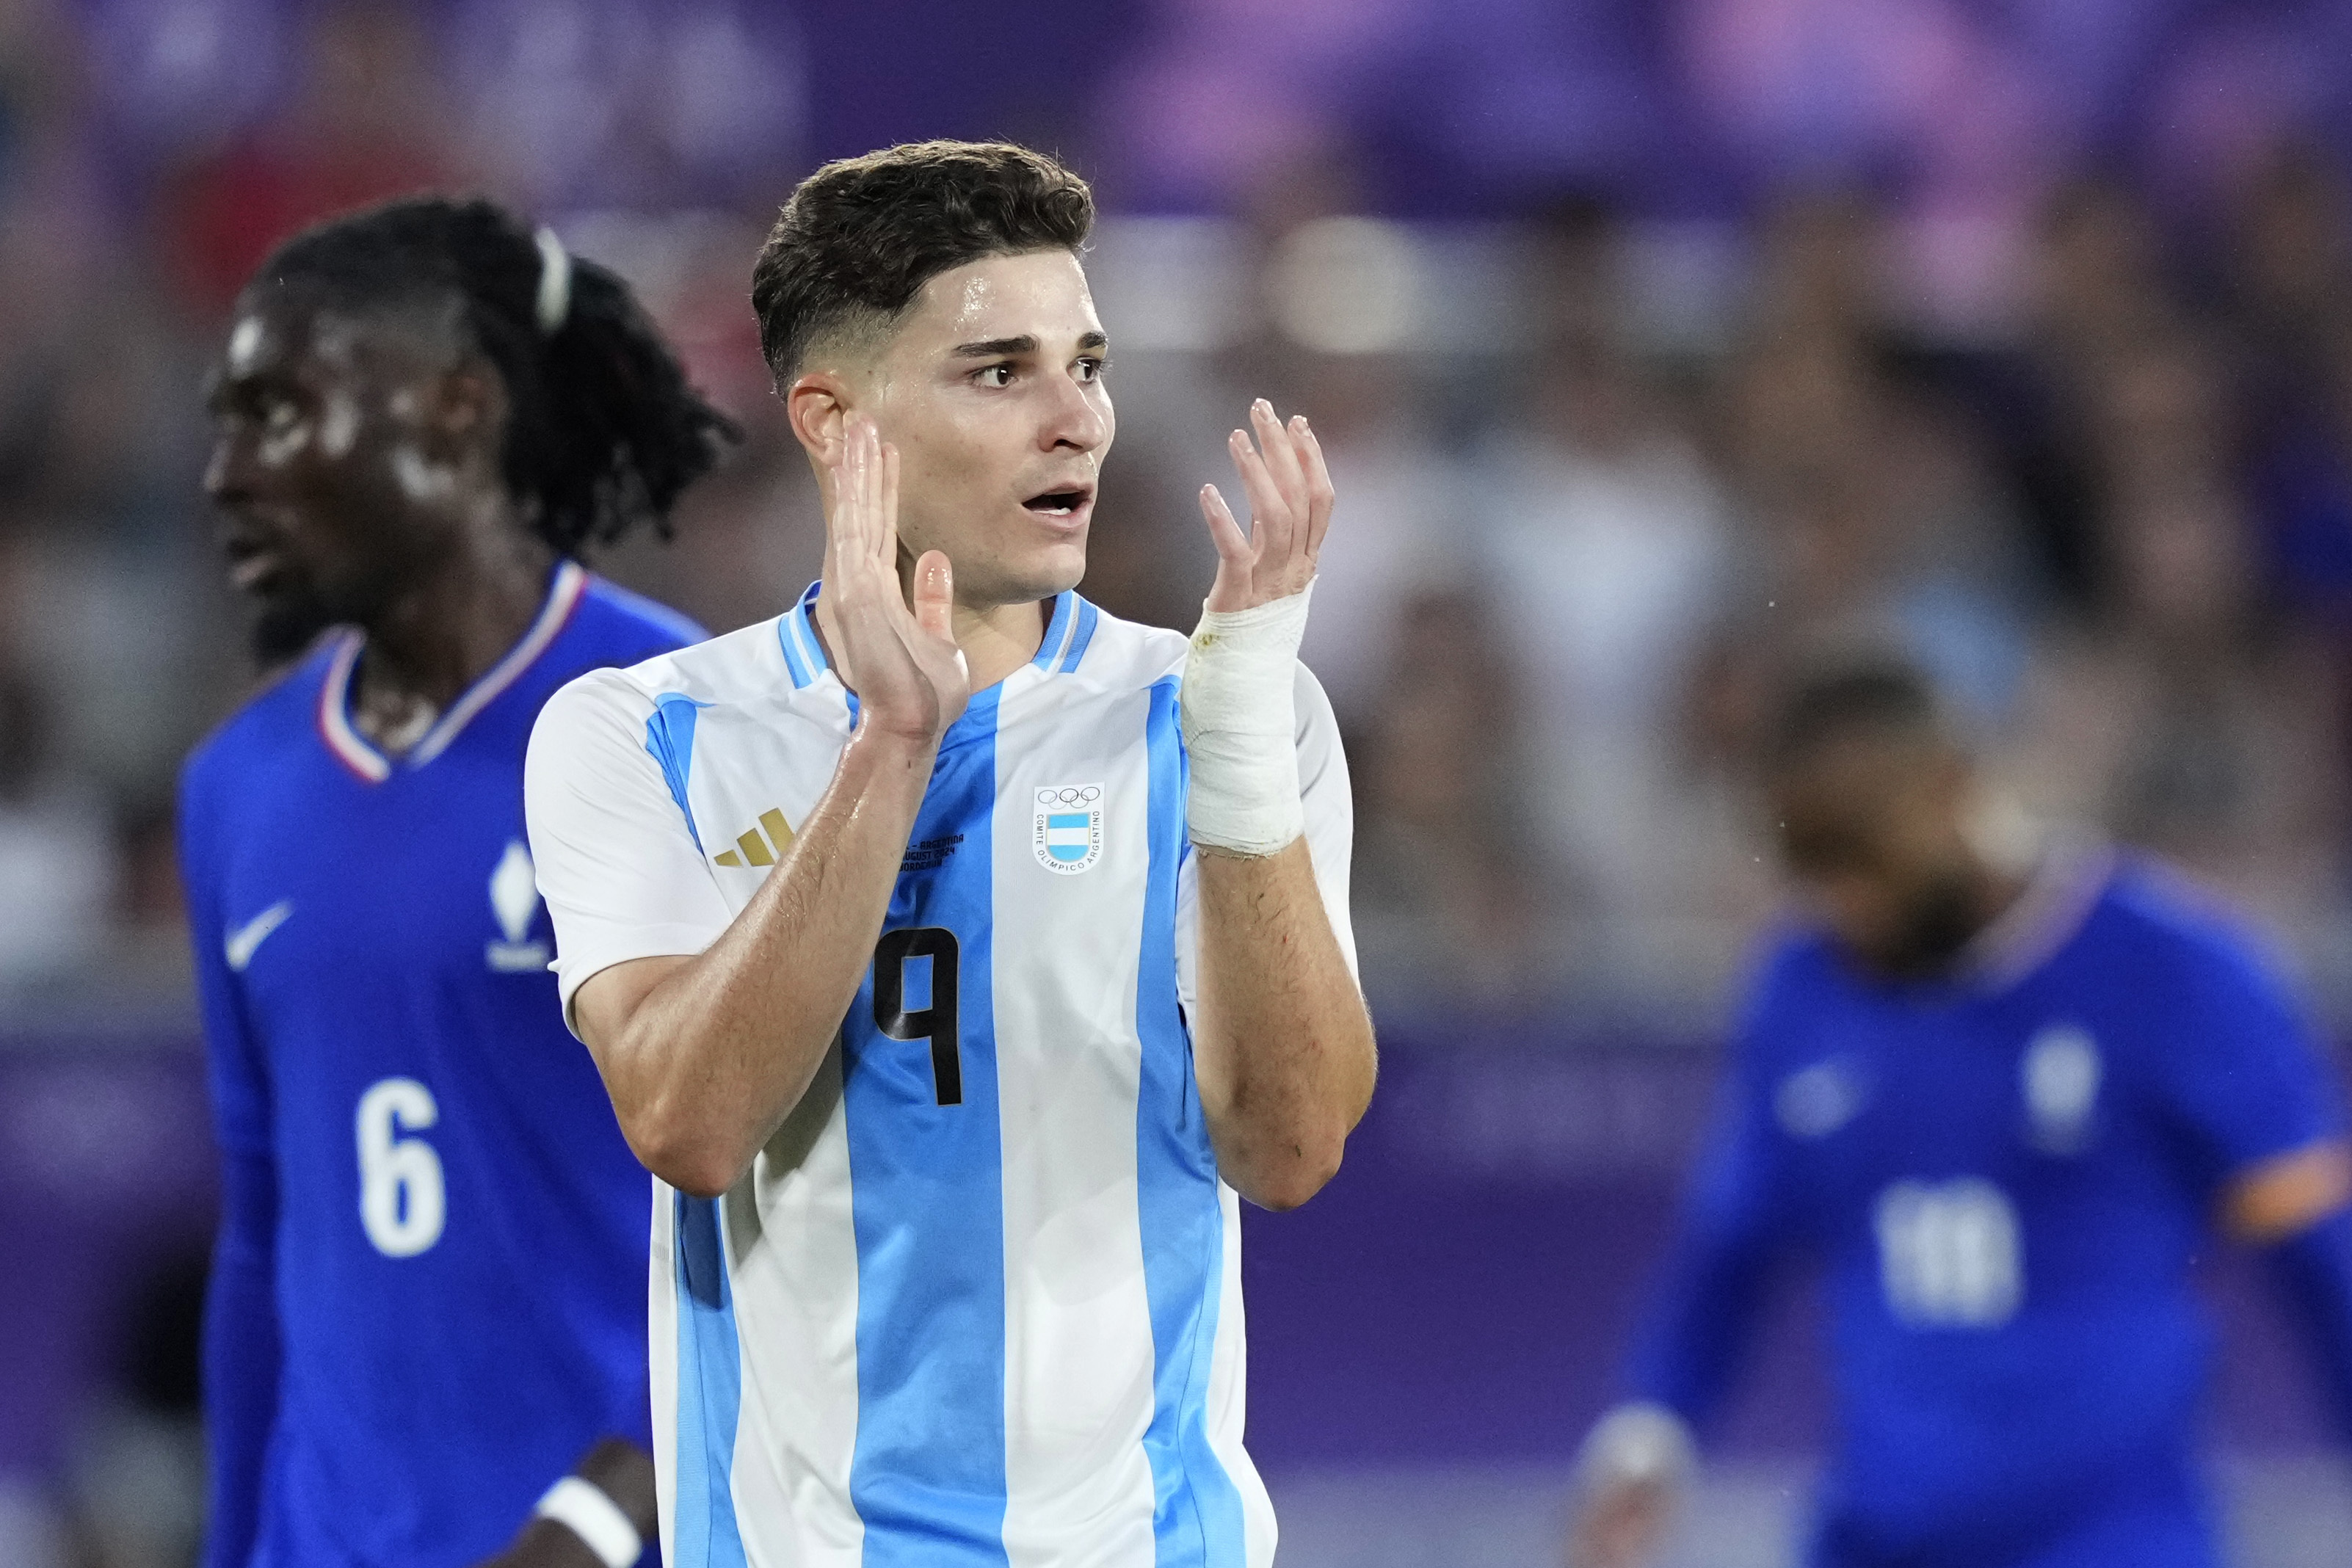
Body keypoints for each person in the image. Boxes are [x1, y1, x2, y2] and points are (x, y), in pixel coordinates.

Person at [523, 139, 1378, 1566]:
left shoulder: (1222, 712)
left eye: (1089, 365)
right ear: (832, 420)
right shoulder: (646, 733)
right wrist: (888, 753)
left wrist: (1231, 756)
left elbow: (1288, 1151)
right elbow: (689, 1122)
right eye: (1003, 373)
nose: (1080, 423)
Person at [181, 195, 739, 1568]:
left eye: (277, 413)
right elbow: (264, 1237)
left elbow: (807, 1204)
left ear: (454, 411)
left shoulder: (679, 719)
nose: (226, 472)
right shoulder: (234, 786)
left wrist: (601, 1516)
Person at [1568, 656, 2352, 1568]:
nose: (1846, 901)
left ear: (1953, 787)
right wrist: (1650, 1431)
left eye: (1863, 856)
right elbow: (1731, 1250)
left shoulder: (2173, 972)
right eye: (1812, 868)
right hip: (1879, 1534)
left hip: (2112, 1539)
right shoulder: (1803, 987)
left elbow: (2319, 1257)